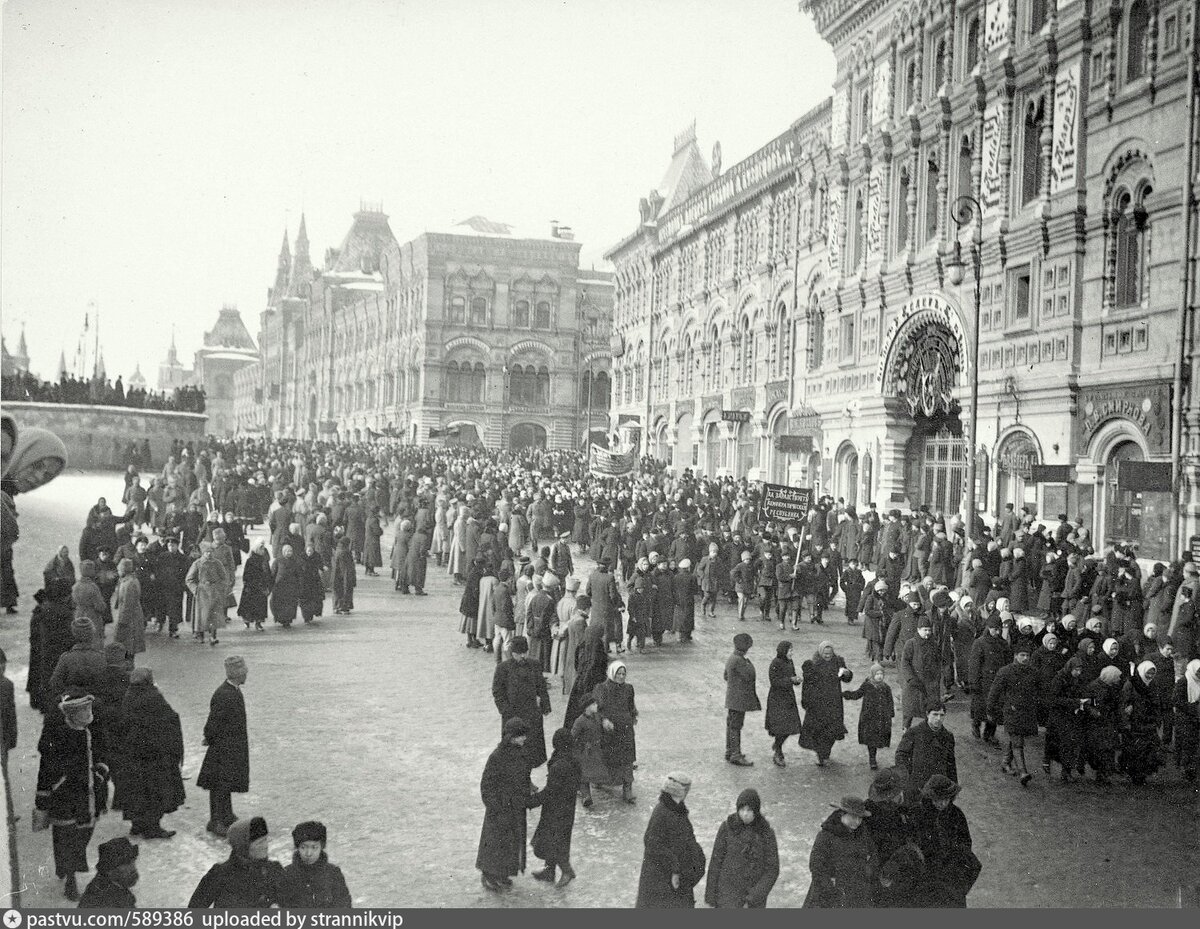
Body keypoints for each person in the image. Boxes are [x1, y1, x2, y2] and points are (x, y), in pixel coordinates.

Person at [34, 691, 110, 901]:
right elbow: (46, 768)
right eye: (82, 710)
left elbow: (104, 752)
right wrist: (44, 797)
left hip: (90, 795)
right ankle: (70, 878)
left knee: (84, 833)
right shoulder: (57, 735)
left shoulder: (94, 730)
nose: (87, 714)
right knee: (66, 836)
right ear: (71, 713)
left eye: (88, 709)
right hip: (65, 796)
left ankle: (66, 867)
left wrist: (102, 772)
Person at [477, 717, 541, 892]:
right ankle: (489, 875)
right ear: (511, 737)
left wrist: (528, 788)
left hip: (515, 806)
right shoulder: (497, 757)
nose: (524, 739)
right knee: (496, 843)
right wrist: (494, 805)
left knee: (511, 843)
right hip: (500, 809)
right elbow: (487, 784)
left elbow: (524, 776)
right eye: (520, 736)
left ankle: (502, 873)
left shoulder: (522, 753)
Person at [120, 668, 185, 839]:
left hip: (134, 752)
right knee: (155, 790)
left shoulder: (129, 695)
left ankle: (137, 824)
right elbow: (169, 717)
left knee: (138, 790)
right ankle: (153, 827)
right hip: (154, 752)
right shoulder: (153, 696)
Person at [634, 773, 706, 908]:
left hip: (674, 876)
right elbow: (652, 844)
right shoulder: (662, 812)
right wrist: (675, 867)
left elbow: (687, 836)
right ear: (680, 791)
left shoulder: (677, 808)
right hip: (662, 879)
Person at [198, 656, 250, 838]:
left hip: (230, 747)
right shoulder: (225, 694)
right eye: (244, 672)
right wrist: (209, 737)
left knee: (225, 783)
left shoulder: (231, 690)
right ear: (237, 674)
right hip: (223, 748)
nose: (246, 675)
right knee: (219, 785)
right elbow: (214, 722)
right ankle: (216, 820)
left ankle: (226, 815)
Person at [704, 788, 780, 908]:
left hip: (752, 900)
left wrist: (754, 897)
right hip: (727, 897)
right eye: (742, 809)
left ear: (756, 811)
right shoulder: (727, 828)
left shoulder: (766, 833)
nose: (745, 814)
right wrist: (711, 897)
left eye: (749, 810)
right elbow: (716, 862)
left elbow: (772, 869)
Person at [188, 816, 286, 907]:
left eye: (265, 840)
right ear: (243, 846)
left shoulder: (274, 870)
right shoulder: (220, 874)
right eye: (259, 843)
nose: (265, 846)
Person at [914, 776, 980, 907]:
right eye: (938, 800)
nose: (942, 803)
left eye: (946, 799)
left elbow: (966, 843)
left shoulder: (956, 814)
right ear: (930, 798)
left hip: (951, 877)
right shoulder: (919, 814)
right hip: (928, 878)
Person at [802, 796, 878, 908]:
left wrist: (867, 871)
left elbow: (873, 856)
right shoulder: (826, 835)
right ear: (842, 814)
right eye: (853, 817)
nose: (857, 822)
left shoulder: (863, 835)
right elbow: (816, 866)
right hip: (831, 894)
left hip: (858, 894)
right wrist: (829, 888)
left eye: (860, 818)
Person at [530, 728, 582, 888]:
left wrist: (532, 801)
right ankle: (549, 871)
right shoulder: (571, 759)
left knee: (554, 841)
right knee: (556, 839)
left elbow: (550, 791)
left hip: (556, 810)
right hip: (566, 808)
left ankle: (567, 871)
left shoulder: (560, 764)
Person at [492, 636, 551, 769]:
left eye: (525, 652)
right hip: (513, 717)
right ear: (512, 653)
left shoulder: (534, 665)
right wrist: (506, 712)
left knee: (531, 751)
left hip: (532, 716)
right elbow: (497, 692)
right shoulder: (503, 668)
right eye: (519, 654)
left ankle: (527, 779)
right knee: (513, 751)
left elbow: (541, 686)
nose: (523, 656)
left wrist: (545, 706)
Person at [592, 659, 638, 803]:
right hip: (609, 729)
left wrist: (633, 716)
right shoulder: (602, 688)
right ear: (612, 673)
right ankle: (600, 780)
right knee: (608, 756)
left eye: (624, 674)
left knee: (628, 758)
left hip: (625, 728)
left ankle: (627, 789)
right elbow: (597, 709)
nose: (622, 676)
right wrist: (604, 720)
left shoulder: (629, 688)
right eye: (619, 673)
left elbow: (631, 706)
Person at [800, 640, 853, 766]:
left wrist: (847, 673)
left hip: (834, 702)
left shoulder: (838, 662)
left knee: (833, 730)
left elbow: (846, 678)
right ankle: (821, 755)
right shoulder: (813, 665)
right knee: (819, 731)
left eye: (829, 653)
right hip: (818, 703)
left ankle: (826, 753)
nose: (828, 656)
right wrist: (806, 701)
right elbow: (807, 685)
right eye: (825, 653)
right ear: (820, 652)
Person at [279, 821, 353, 908]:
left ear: (321, 847)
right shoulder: (285, 875)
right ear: (297, 847)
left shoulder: (333, 874)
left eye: (314, 847)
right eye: (303, 847)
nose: (309, 853)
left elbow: (344, 908)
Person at [842, 663, 896, 770]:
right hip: (869, 718)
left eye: (881, 674)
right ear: (872, 675)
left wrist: (891, 713)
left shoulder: (886, 688)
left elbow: (890, 701)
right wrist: (847, 694)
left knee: (878, 739)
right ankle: (872, 759)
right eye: (877, 674)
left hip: (881, 718)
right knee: (871, 739)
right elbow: (858, 694)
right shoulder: (867, 685)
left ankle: (873, 757)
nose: (879, 676)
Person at [968, 616, 1011, 744]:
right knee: (980, 707)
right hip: (983, 682)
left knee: (995, 710)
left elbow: (1008, 663)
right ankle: (976, 725)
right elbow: (974, 665)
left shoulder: (1003, 644)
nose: (997, 632)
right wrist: (974, 682)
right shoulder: (980, 643)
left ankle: (989, 734)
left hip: (997, 681)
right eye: (994, 629)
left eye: (999, 629)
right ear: (988, 628)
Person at [895, 702, 957, 789]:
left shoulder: (948, 736)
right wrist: (908, 778)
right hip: (918, 784)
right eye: (935, 714)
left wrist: (953, 785)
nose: (938, 719)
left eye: (942, 715)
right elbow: (901, 756)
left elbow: (951, 763)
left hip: (939, 785)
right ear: (927, 714)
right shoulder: (914, 732)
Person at [724, 633, 760, 767]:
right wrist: (748, 662)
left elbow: (725, 676)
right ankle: (735, 754)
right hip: (738, 700)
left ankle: (730, 750)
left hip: (732, 699)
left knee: (731, 725)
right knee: (736, 726)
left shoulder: (732, 658)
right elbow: (750, 674)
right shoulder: (740, 660)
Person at [765, 641, 802, 767]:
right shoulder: (775, 663)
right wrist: (790, 680)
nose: (792, 653)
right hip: (777, 700)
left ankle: (777, 745)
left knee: (791, 726)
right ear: (783, 651)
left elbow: (792, 676)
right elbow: (774, 681)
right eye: (790, 650)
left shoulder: (789, 661)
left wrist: (796, 680)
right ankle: (778, 752)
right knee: (780, 728)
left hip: (788, 698)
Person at [78, 837, 139, 908]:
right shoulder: (102, 900)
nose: (133, 867)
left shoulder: (115, 885)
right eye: (126, 864)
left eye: (133, 860)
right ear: (110, 869)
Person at [111, 558, 145, 655]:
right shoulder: (127, 581)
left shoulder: (129, 584)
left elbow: (127, 604)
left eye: (119, 570)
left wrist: (122, 621)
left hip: (130, 619)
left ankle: (128, 666)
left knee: (128, 645)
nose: (118, 572)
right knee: (127, 645)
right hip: (132, 616)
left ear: (124, 570)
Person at [1174, 659, 1200, 781]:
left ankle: (1192, 769)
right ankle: (1186, 769)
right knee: (1186, 744)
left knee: (1194, 745)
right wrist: (1192, 707)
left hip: (1195, 717)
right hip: (1185, 718)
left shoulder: (1198, 682)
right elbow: (1177, 700)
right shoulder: (1184, 681)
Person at [238, 539, 272, 631]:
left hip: (261, 586)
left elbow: (268, 573)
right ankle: (247, 621)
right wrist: (246, 583)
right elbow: (246, 573)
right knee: (249, 605)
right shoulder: (251, 560)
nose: (263, 551)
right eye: (261, 549)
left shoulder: (265, 561)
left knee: (260, 606)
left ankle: (258, 622)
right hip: (251, 586)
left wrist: (268, 584)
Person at [331, 536, 356, 614]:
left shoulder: (338, 550)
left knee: (337, 591)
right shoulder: (345, 552)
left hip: (336, 575)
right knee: (345, 590)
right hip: (344, 575)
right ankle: (344, 608)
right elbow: (347, 567)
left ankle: (336, 607)